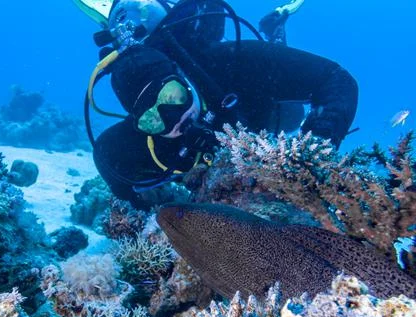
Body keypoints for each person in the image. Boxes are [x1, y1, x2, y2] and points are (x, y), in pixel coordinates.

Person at [84, 0, 359, 209]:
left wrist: (311, 159)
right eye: (152, 117)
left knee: (289, 116)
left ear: (182, 77)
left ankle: (276, 29)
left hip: (257, 110)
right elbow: (123, 184)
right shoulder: (118, 150)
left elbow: (337, 80)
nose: (174, 118)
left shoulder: (233, 63)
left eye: (173, 96)